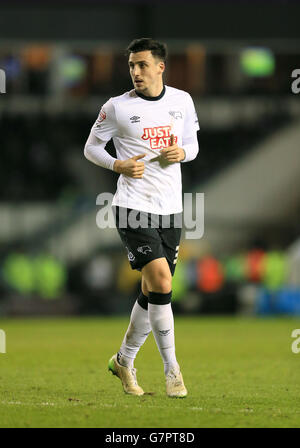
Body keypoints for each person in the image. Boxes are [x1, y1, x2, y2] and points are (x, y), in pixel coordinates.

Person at [84, 38, 199, 398]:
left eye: (143, 65)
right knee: (162, 281)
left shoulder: (182, 101)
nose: (136, 71)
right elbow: (91, 147)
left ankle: (123, 360)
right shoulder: (117, 107)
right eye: (132, 65)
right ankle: (172, 370)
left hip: (170, 209)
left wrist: (182, 152)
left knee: (152, 293)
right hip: (132, 206)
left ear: (161, 67)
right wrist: (117, 164)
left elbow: (193, 144)